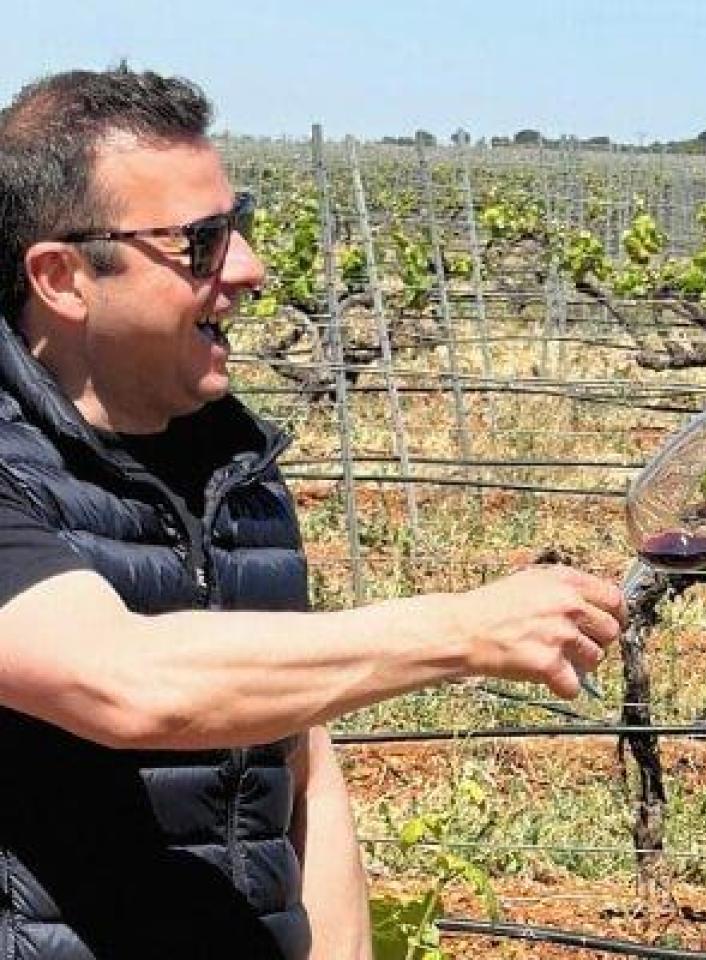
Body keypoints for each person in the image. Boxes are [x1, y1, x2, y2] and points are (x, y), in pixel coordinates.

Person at [0, 67, 625, 959]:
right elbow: (125, 682)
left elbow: (300, 758)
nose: (250, 268)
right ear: (63, 277)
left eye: (239, 224)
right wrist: (462, 629)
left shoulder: (232, 466)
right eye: (201, 242)